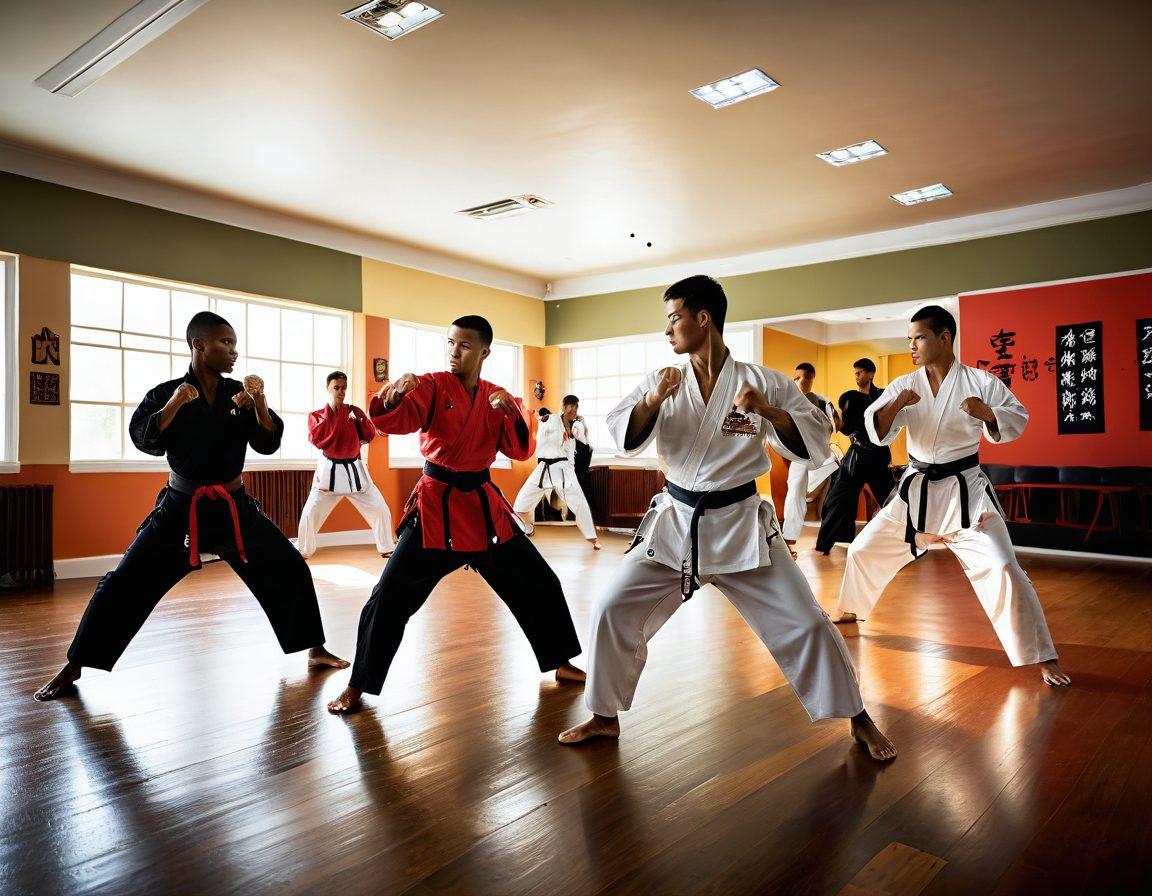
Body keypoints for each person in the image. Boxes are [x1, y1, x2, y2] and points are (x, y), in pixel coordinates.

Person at [558, 276, 896, 760]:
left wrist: (769, 412)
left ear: (703, 318)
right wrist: (653, 400)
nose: (668, 330)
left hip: (742, 525)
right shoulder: (663, 381)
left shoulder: (763, 382)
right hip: (676, 523)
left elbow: (816, 441)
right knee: (613, 607)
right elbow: (624, 435)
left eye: (674, 317)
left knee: (806, 622)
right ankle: (605, 717)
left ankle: (858, 717)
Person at [34, 312, 347, 701]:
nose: (234, 351)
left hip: (235, 507)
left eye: (234, 343)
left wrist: (260, 402)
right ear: (199, 344)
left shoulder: (240, 396)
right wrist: (176, 402)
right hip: (181, 510)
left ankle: (314, 649)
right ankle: (75, 665)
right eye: (225, 343)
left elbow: (268, 443)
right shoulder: (167, 392)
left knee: (289, 567)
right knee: (122, 584)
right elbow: (145, 440)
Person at [327, 315, 585, 714]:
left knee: (539, 582)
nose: (454, 351)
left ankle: (562, 662)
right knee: (389, 596)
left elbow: (519, 451)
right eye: (450, 342)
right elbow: (391, 420)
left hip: (483, 507)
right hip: (436, 505)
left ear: (483, 352)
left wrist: (513, 415)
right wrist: (395, 395)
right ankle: (358, 685)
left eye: (464, 345)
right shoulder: (430, 385)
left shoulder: (499, 397)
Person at [833, 306, 1070, 687]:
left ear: (944, 337)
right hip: (917, 490)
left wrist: (987, 413)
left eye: (920, 338)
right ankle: (849, 609)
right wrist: (897, 404)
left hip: (966, 492)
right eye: (908, 339)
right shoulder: (904, 384)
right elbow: (875, 430)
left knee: (1004, 567)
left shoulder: (980, 382)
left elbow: (1018, 418)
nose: (912, 346)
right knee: (863, 550)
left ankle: (1043, 656)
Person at [296, 370, 395, 559]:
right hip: (329, 473)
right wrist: (337, 415)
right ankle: (303, 550)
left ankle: (387, 546)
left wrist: (358, 418)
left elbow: (369, 435)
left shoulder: (354, 411)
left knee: (380, 508)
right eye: (336, 388)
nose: (341, 391)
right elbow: (318, 440)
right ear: (328, 388)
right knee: (310, 513)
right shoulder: (317, 416)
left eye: (343, 388)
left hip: (355, 471)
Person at [814, 358, 896, 554]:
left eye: (860, 373)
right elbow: (848, 429)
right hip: (856, 456)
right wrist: (836, 420)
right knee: (837, 498)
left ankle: (908, 541)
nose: (857, 377)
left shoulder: (884, 395)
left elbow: (889, 424)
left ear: (871, 374)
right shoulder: (851, 398)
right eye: (855, 373)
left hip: (878, 456)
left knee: (892, 500)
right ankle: (825, 545)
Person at [514, 395, 601, 550]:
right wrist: (542, 416)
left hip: (563, 469)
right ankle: (527, 528)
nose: (573, 409)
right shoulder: (552, 419)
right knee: (521, 501)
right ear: (563, 406)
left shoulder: (578, 423)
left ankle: (593, 538)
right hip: (543, 468)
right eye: (570, 406)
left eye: (576, 407)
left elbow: (578, 433)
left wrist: (575, 430)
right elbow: (542, 417)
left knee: (579, 502)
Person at [781, 363, 839, 557]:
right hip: (799, 455)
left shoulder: (822, 401)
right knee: (795, 488)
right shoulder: (788, 402)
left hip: (821, 454)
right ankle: (789, 538)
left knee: (833, 463)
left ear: (811, 378)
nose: (798, 381)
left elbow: (835, 426)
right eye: (795, 378)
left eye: (802, 377)